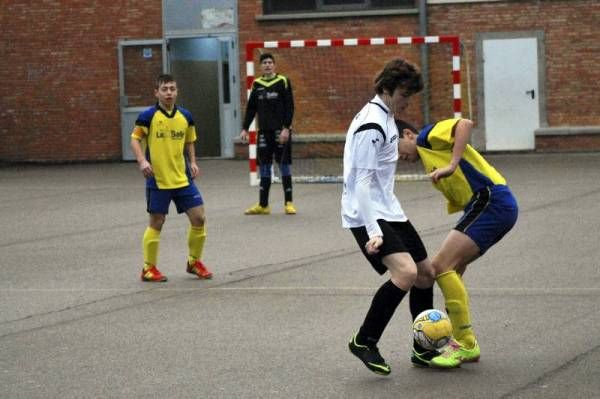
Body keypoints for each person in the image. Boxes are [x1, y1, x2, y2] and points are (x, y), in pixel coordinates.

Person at [395, 117, 519, 368]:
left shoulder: (426, 138)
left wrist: (452, 164)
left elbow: (464, 123)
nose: (398, 158)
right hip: (488, 205)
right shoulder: (428, 157)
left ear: (408, 134)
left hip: (491, 200)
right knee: (452, 271)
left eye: (395, 149)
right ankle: (459, 340)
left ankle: (466, 343)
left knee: (440, 266)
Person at [342, 58, 439, 375]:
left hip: (388, 208)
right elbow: (361, 183)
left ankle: (423, 349)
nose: (407, 100)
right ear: (386, 88)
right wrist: (373, 231)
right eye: (403, 93)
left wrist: (403, 150)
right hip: (366, 211)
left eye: (410, 94)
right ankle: (364, 340)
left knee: (426, 272)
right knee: (407, 273)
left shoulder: (386, 117)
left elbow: (385, 155)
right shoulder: (372, 124)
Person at [130, 74, 213, 282]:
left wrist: (193, 162)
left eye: (172, 89)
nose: (169, 93)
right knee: (157, 221)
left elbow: (189, 141)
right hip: (158, 179)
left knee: (199, 218)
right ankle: (148, 268)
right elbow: (135, 139)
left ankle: (194, 262)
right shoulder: (148, 116)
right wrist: (142, 161)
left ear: (177, 91)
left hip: (183, 178)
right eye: (164, 89)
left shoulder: (186, 116)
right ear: (156, 92)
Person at [239, 52, 296, 215]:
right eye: (264, 63)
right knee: (264, 167)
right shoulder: (257, 84)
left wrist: (286, 127)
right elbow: (251, 108)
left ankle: (289, 203)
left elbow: (290, 106)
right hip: (263, 132)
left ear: (274, 65)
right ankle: (263, 205)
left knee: (284, 166)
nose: (268, 65)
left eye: (270, 62)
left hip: (281, 131)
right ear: (260, 66)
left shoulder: (283, 81)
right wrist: (245, 128)